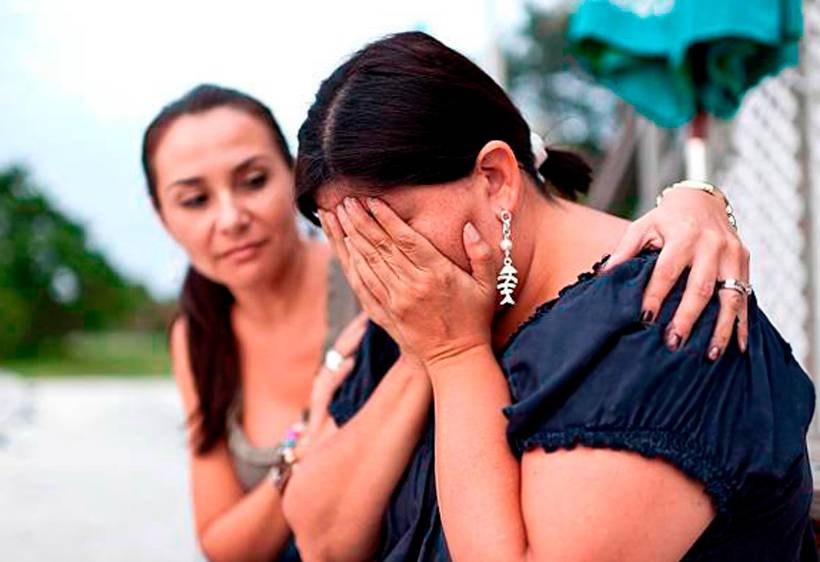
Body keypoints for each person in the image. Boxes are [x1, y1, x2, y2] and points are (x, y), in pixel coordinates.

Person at [287, 32, 816, 561]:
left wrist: (456, 358)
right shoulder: (418, 313)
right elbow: (322, 541)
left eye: (390, 229)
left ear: (495, 179)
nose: (377, 266)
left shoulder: (660, 326)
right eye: (349, 240)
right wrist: (422, 352)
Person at [141, 84, 364, 562]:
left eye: (254, 181)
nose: (231, 218)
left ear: (293, 175)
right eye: (195, 200)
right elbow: (224, 544)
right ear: (163, 219)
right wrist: (301, 448)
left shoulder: (368, 278)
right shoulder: (197, 335)